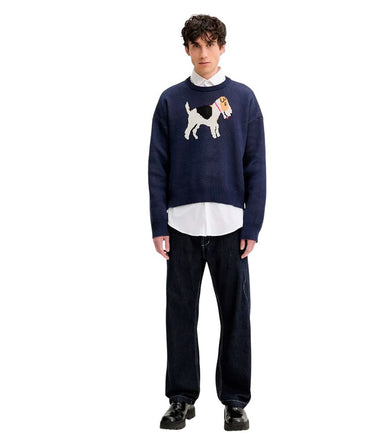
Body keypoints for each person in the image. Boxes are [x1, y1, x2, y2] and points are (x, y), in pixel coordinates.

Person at [148, 14, 266, 431]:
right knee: (180, 313)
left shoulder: (244, 99)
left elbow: (256, 165)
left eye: (210, 44)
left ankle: (234, 400)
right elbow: (157, 166)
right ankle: (181, 398)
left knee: (235, 314)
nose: (203, 53)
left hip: (230, 226)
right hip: (181, 225)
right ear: (186, 50)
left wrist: (252, 225)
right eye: (195, 45)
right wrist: (158, 224)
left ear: (222, 47)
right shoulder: (169, 101)